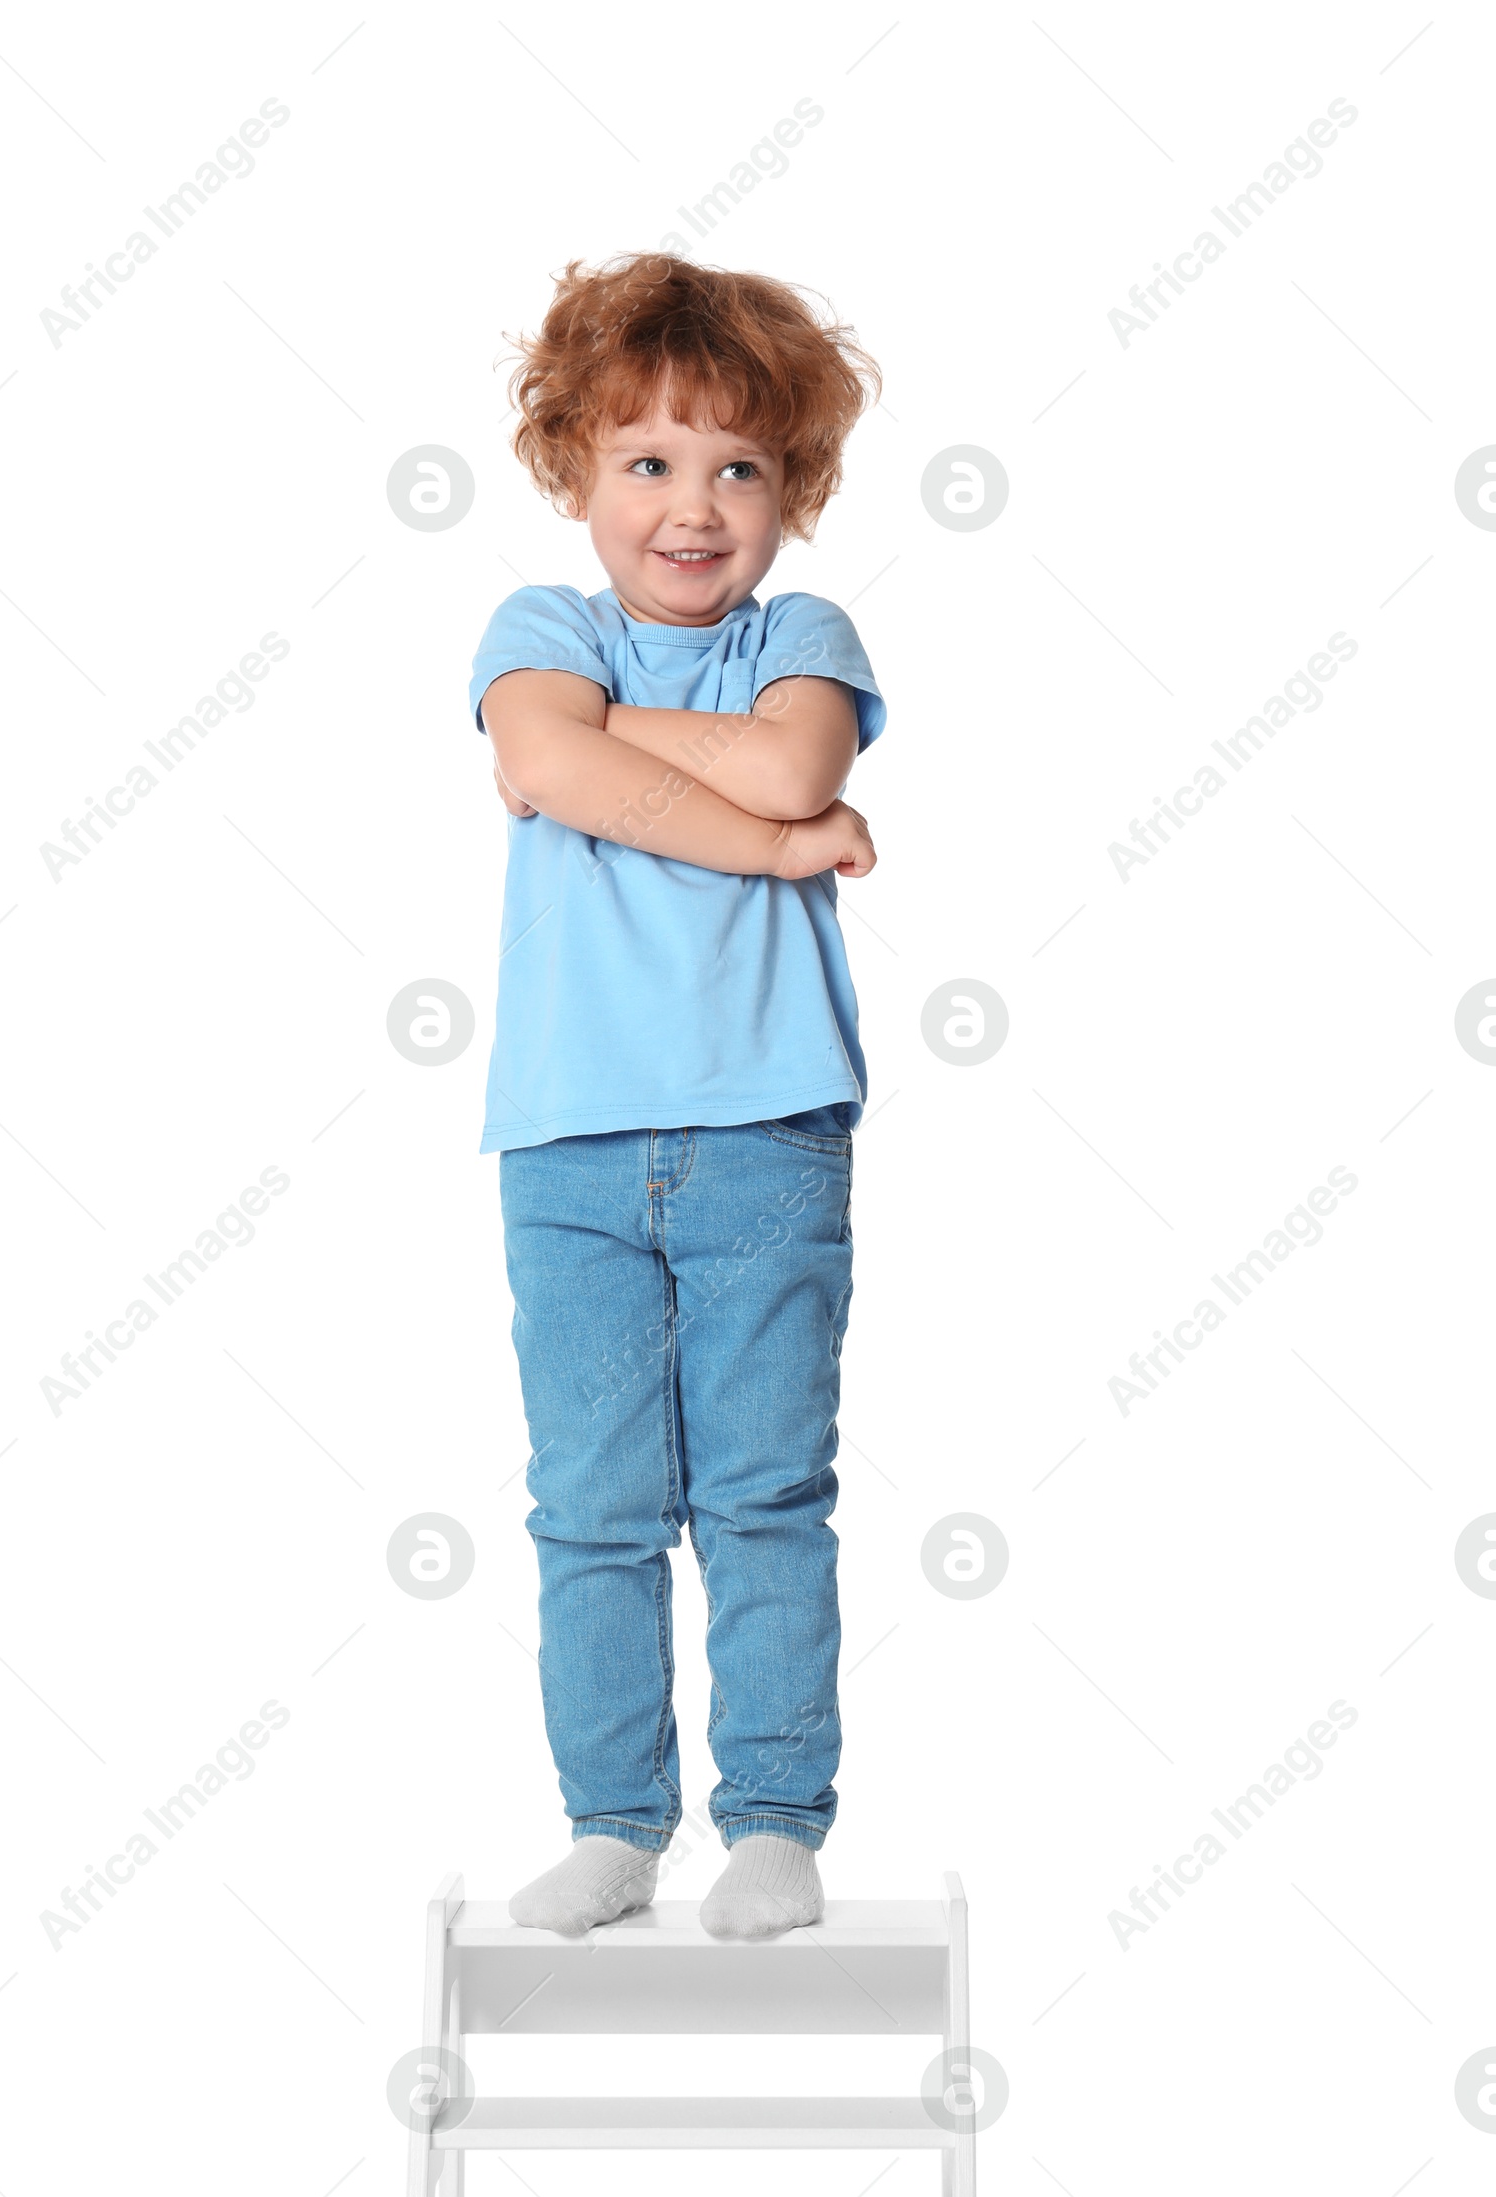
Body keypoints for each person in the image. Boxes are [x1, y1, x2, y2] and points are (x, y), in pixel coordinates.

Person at [470, 251, 886, 1939]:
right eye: (647, 461)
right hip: (567, 1136)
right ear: (577, 473)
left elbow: (789, 752)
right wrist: (778, 849)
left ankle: (774, 1817)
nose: (694, 505)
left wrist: (692, 774)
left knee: (768, 1493)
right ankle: (615, 1821)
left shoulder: (808, 637)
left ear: (795, 488)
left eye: (740, 467)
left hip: (764, 1132)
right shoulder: (535, 632)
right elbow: (543, 759)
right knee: (593, 1505)